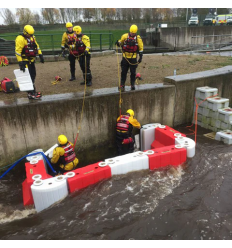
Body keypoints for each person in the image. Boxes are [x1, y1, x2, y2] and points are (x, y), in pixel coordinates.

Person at [15, 24, 44, 99]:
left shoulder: (32, 38)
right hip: (25, 61)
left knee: (33, 75)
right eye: (29, 34)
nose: (30, 36)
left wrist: (40, 54)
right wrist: (20, 62)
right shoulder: (20, 39)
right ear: (25, 32)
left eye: (31, 34)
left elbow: (37, 46)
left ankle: (32, 91)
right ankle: (31, 93)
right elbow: (18, 52)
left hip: (31, 60)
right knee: (29, 77)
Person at [115, 24, 143, 91]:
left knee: (133, 72)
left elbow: (141, 48)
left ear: (135, 32)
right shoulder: (124, 36)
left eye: (133, 33)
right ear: (129, 31)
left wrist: (140, 57)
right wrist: (118, 43)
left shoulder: (138, 39)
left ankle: (132, 85)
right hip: (125, 58)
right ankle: (122, 85)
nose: (132, 34)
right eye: (131, 32)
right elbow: (121, 42)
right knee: (123, 72)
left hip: (133, 58)